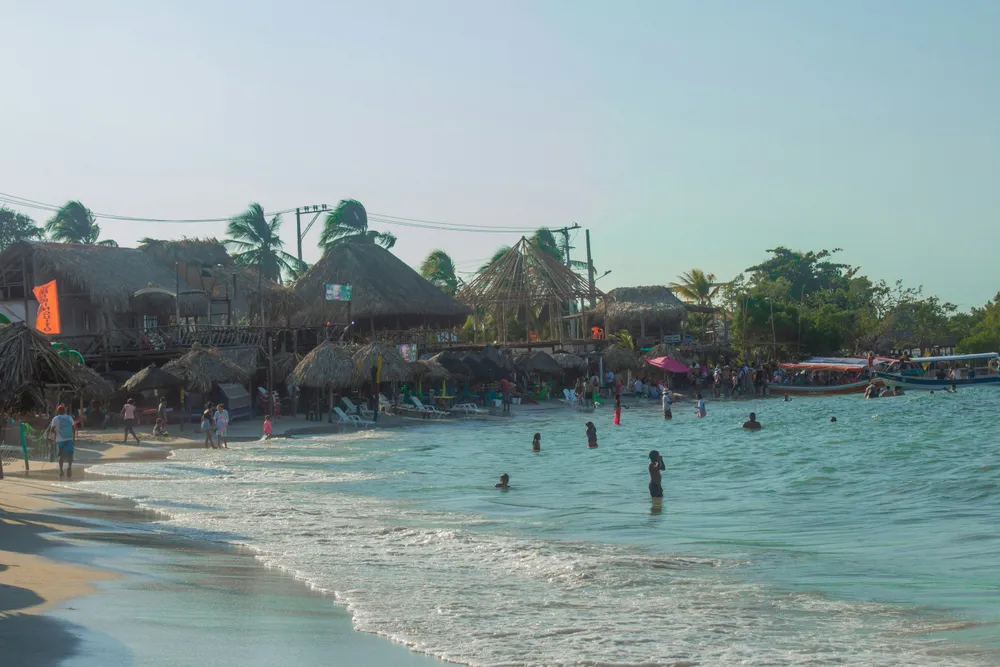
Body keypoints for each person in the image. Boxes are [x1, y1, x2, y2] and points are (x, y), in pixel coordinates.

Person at [47, 405, 77, 478]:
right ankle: (69, 467)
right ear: (65, 411)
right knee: (70, 453)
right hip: (69, 438)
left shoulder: (55, 418)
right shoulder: (69, 417)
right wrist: (73, 438)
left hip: (60, 439)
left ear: (58, 411)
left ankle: (61, 471)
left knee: (61, 454)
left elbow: (52, 429)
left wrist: (52, 438)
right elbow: (73, 428)